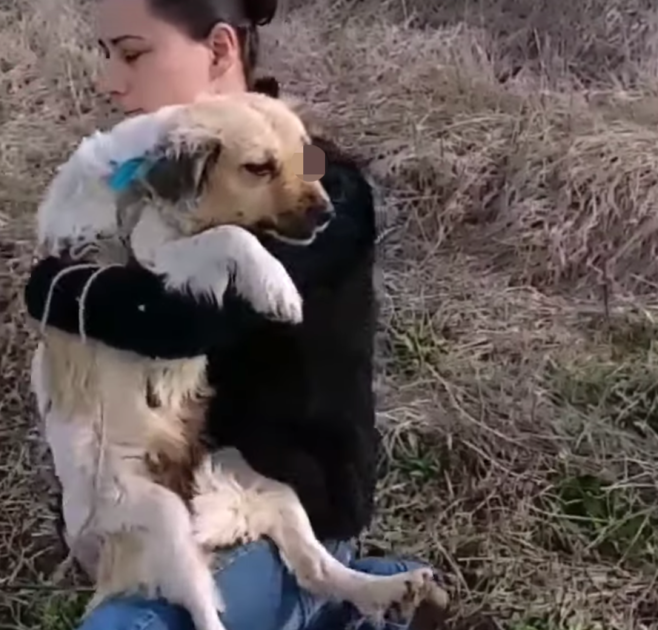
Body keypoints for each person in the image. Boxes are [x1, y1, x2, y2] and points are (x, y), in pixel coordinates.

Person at [23, 0, 445, 629]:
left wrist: (61, 289)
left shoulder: (319, 184)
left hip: (281, 514)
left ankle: (334, 603)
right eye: (105, 54)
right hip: (181, 491)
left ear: (220, 50)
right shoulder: (162, 172)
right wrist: (58, 285)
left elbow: (175, 322)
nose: (111, 81)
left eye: (133, 53)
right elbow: (58, 283)